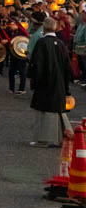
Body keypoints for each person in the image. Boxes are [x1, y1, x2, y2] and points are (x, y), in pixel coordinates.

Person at [29, 17, 73, 147]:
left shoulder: (41, 43)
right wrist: (66, 86)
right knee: (57, 111)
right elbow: (68, 67)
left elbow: (37, 65)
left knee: (44, 112)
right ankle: (59, 138)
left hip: (45, 82)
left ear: (44, 27)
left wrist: (34, 81)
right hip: (59, 82)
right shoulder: (61, 44)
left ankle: (43, 139)